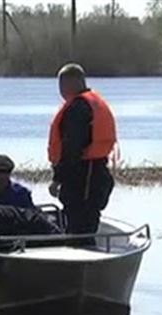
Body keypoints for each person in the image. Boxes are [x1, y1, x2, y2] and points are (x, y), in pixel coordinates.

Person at [46, 63, 116, 245]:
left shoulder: (78, 108)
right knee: (85, 221)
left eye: (61, 86)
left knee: (79, 224)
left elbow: (72, 148)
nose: (61, 91)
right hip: (95, 171)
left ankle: (80, 260)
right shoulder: (93, 102)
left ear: (67, 84)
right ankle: (84, 254)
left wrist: (57, 179)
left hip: (83, 175)